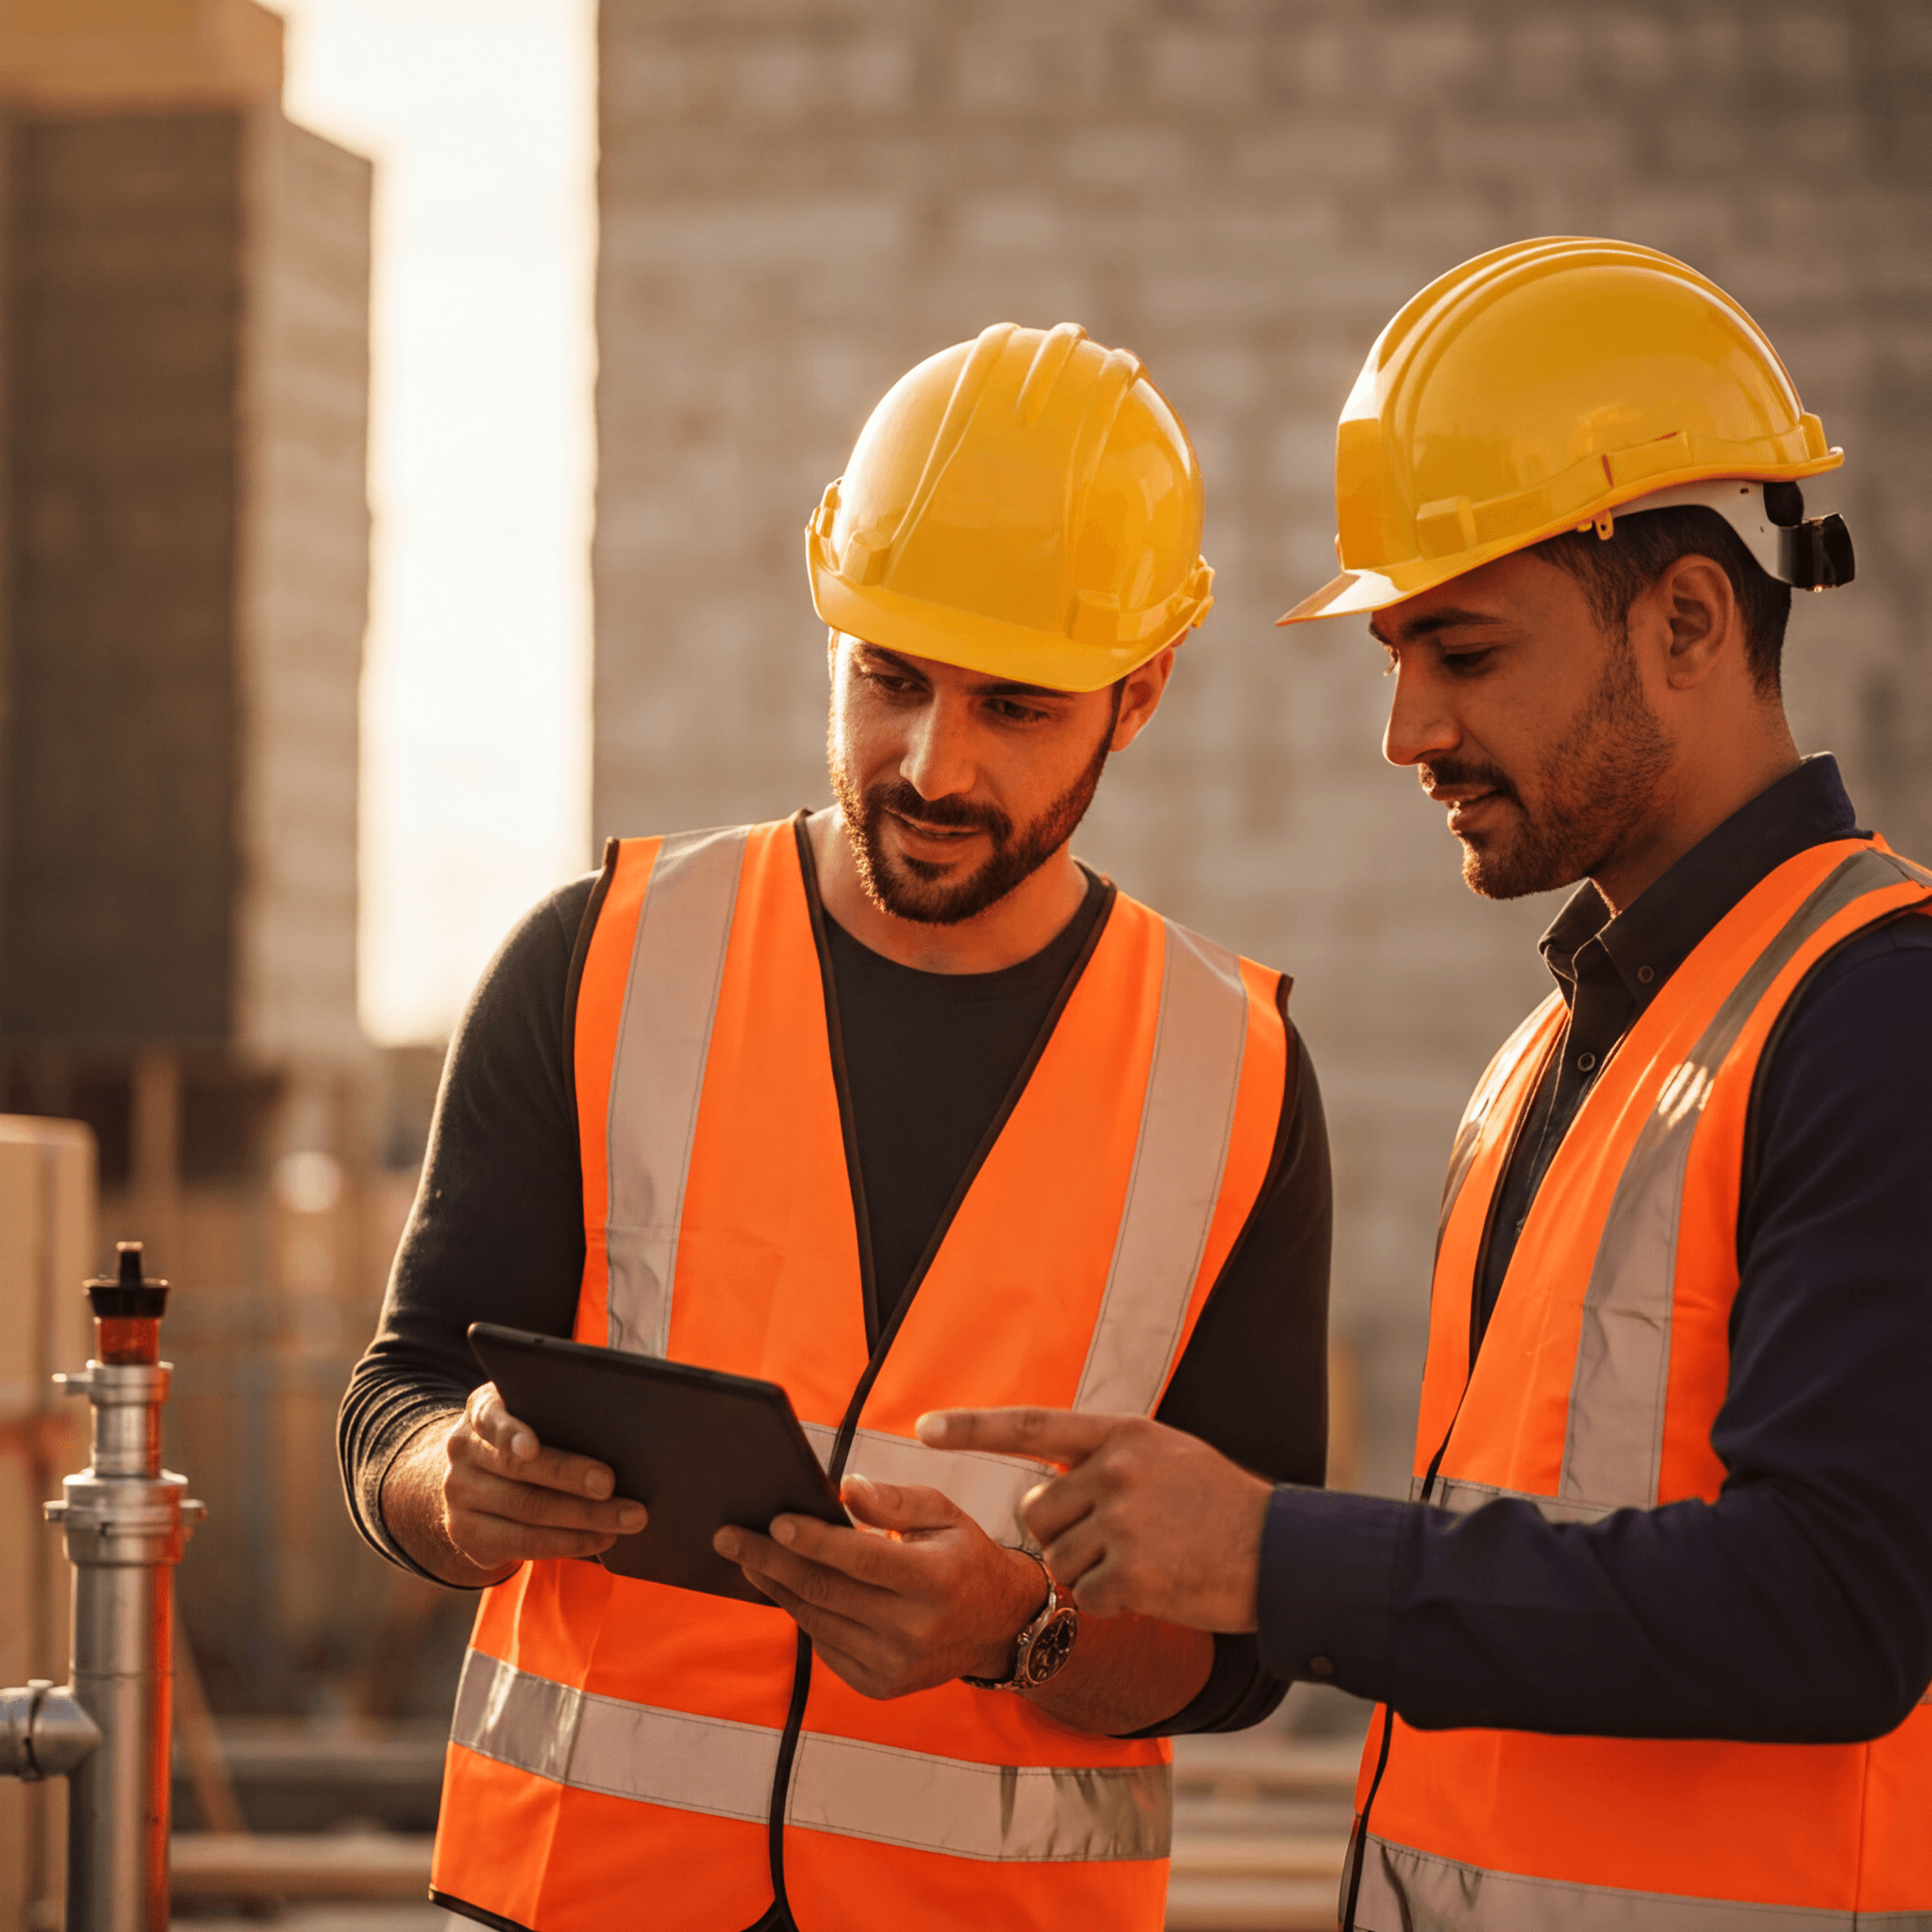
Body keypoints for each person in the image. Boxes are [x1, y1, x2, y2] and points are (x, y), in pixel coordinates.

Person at [924, 241, 1932, 1929]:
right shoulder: (1561, 1051)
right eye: (1395, 654)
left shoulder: (1876, 1014)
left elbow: (1834, 1604)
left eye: (1461, 651)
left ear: (1688, 621)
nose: (1405, 729)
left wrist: (1274, 1553)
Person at [337, 321, 1332, 1932]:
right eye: (889, 679)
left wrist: (1017, 1637)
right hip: (572, 1906)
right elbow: (397, 1399)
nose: (933, 766)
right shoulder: (599, 957)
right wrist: (450, 1485)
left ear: (1138, 695)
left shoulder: (1239, 1080)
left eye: (1017, 706)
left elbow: (1240, 1646)